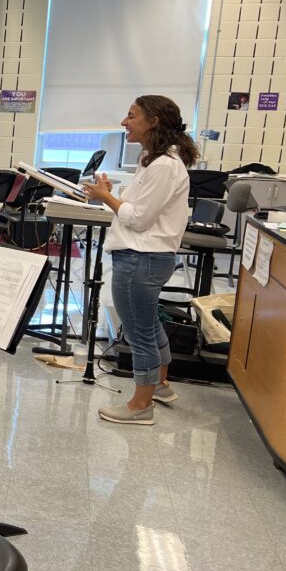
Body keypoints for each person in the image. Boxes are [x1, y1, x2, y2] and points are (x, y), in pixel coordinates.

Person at [83, 95, 198, 425]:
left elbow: (138, 218)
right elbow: (138, 207)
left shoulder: (164, 165)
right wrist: (110, 194)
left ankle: (140, 405)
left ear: (154, 122)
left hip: (141, 257)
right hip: (144, 256)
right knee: (147, 323)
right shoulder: (155, 160)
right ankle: (159, 384)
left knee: (138, 331)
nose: (124, 122)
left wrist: (105, 197)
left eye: (132, 116)